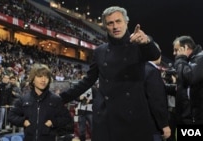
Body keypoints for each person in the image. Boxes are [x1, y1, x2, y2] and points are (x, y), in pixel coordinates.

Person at [60, 6, 161, 141]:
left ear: (126, 22)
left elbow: (154, 55)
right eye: (110, 23)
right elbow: (88, 81)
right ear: (105, 27)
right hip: (107, 118)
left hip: (134, 118)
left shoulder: (138, 44)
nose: (115, 26)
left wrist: (147, 42)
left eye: (118, 21)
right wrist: (61, 98)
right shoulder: (100, 51)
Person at [8, 64, 73, 141]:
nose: (43, 80)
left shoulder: (55, 99)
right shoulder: (24, 99)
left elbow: (67, 118)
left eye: (46, 77)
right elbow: (11, 116)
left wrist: (53, 122)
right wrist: (23, 122)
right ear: (33, 79)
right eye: (40, 76)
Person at [173, 35, 203, 125]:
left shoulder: (201, 58)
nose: (174, 53)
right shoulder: (190, 60)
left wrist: (180, 59)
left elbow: (190, 78)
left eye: (176, 50)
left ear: (186, 47)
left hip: (199, 116)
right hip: (190, 115)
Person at [144, 44, 171, 141]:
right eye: (158, 50)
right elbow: (156, 101)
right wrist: (164, 125)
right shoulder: (151, 71)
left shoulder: (139, 68)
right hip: (152, 126)